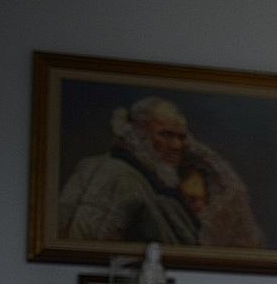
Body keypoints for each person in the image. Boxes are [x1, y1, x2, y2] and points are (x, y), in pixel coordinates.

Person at [57, 96, 265, 249]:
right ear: (140, 133)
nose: (176, 145)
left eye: (181, 137)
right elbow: (89, 244)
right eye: (165, 135)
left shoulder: (164, 180)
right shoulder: (116, 174)